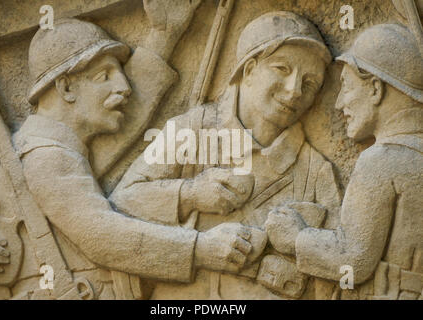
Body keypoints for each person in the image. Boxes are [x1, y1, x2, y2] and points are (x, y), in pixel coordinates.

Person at [0, 3, 259, 300]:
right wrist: (201, 248)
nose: (124, 86)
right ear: (67, 88)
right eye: (105, 76)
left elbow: (127, 124)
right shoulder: (43, 154)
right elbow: (101, 235)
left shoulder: (60, 144)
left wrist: (164, 34)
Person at [110, 11, 342, 299]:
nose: (295, 90)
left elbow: (338, 266)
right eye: (282, 69)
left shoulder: (315, 170)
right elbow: (122, 201)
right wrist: (190, 193)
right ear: (249, 69)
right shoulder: (189, 129)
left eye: (310, 83)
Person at [265, 23, 423, 300]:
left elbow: (354, 259)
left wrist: (296, 238)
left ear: (375, 89)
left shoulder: (380, 161)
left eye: (347, 87)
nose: (338, 104)